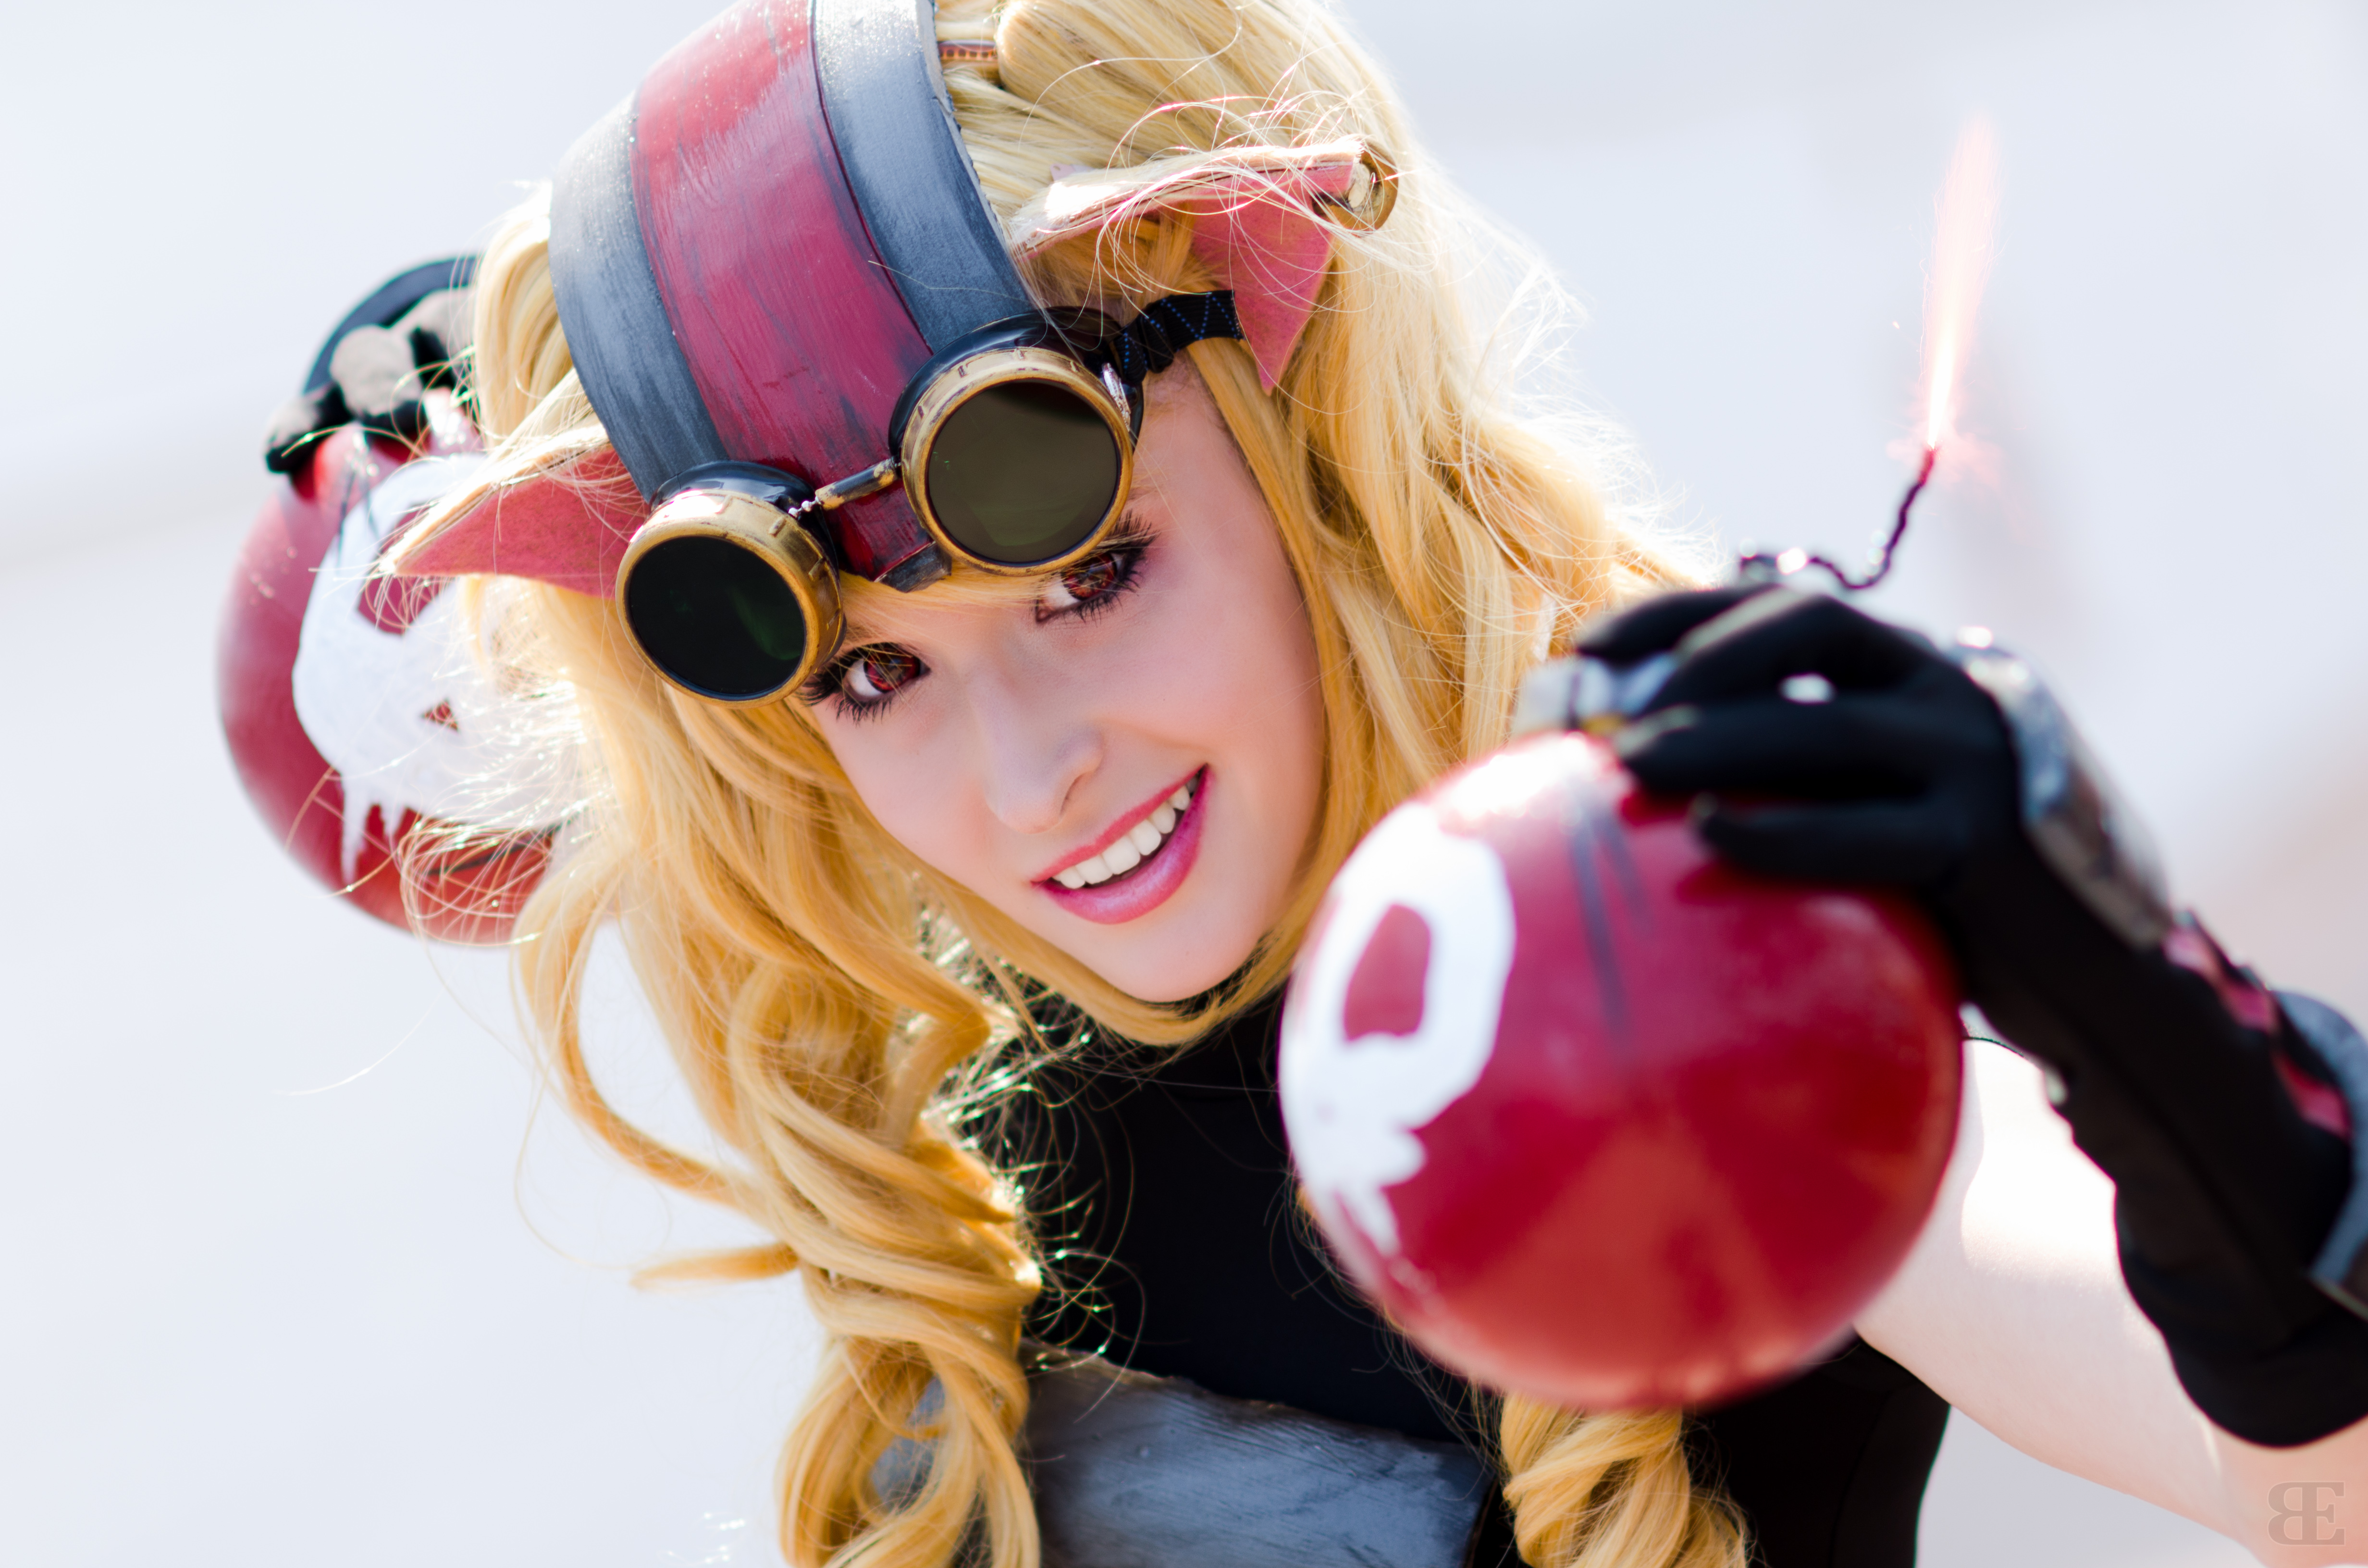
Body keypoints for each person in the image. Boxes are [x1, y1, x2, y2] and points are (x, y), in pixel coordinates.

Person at [251, 0, 2368, 1563]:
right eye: (875, 675)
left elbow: (2311, 1493)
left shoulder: (1651, 962)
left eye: (1091, 575)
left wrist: (2166, 1043)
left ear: (1312, 444)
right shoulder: (954, 1058)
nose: (1028, 781)